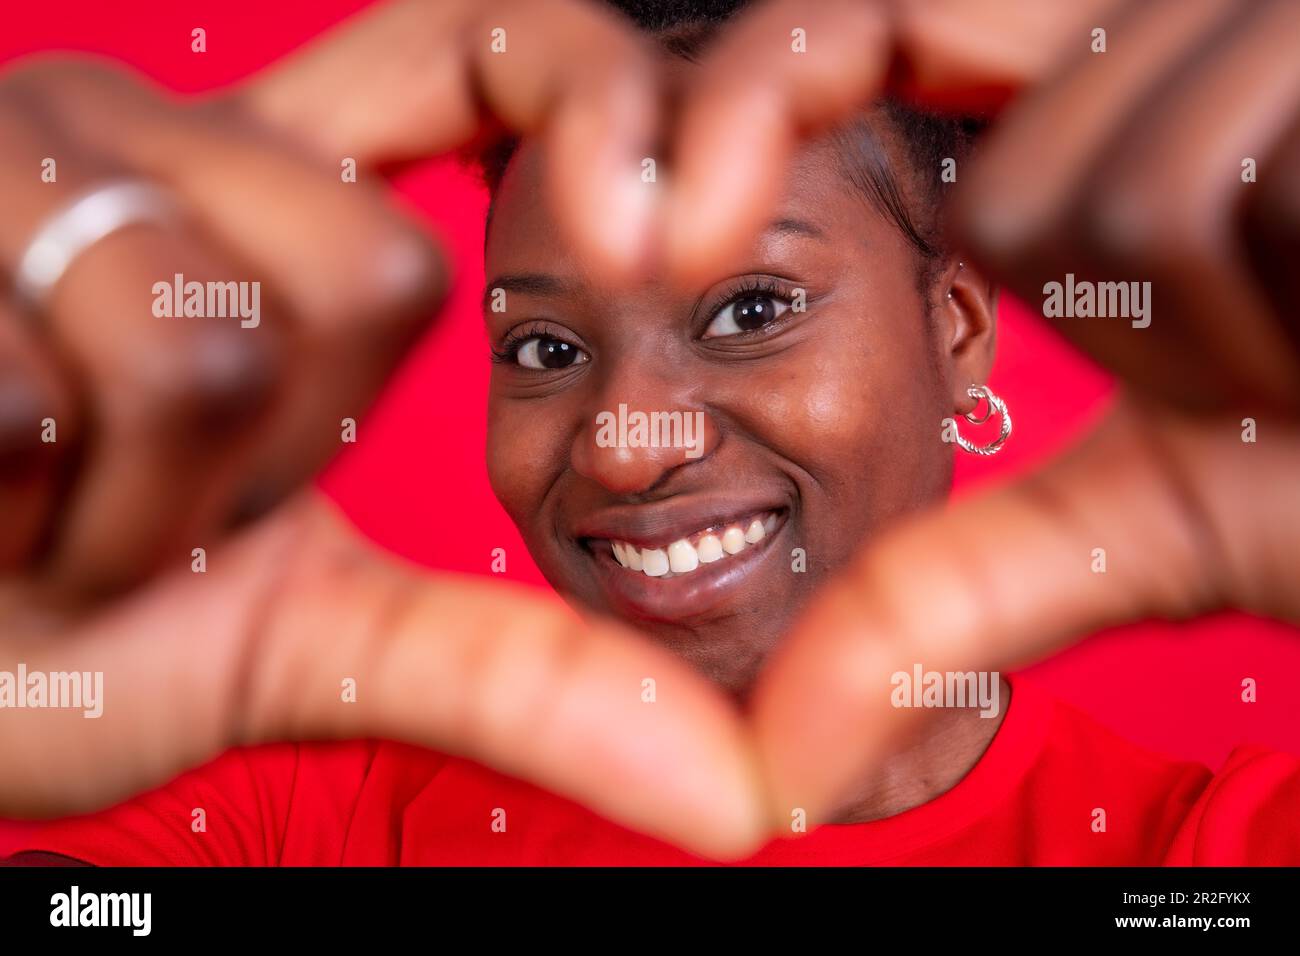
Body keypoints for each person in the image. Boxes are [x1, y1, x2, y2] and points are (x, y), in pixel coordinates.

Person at [2, 0, 1298, 864]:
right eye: (546, 351)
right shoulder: (309, 823)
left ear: (957, 328)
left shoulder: (1201, 857)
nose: (624, 446)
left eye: (751, 309)